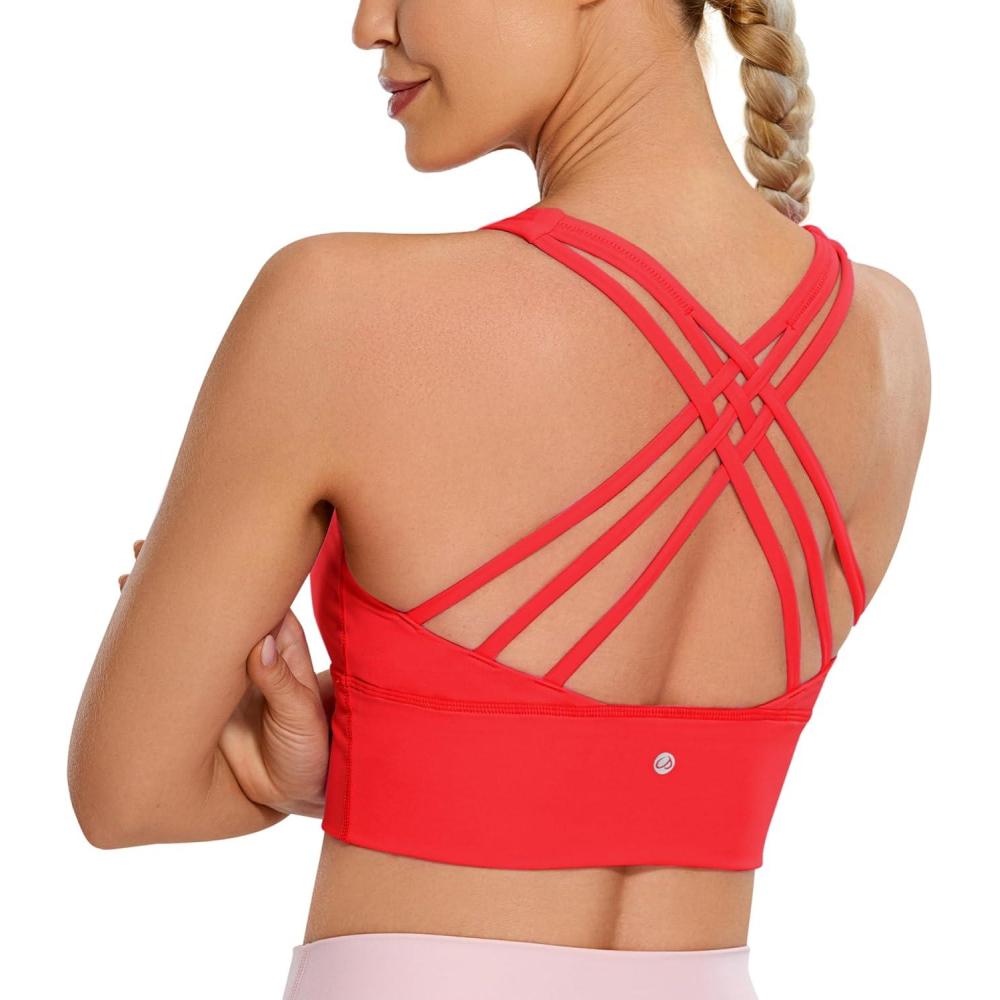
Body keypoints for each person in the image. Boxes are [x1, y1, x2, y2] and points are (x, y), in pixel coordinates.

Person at [68, 1, 931, 997]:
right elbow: (645, 764)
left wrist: (283, 767)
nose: (368, 25)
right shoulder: (887, 340)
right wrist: (374, 756)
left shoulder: (342, 310)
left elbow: (126, 796)